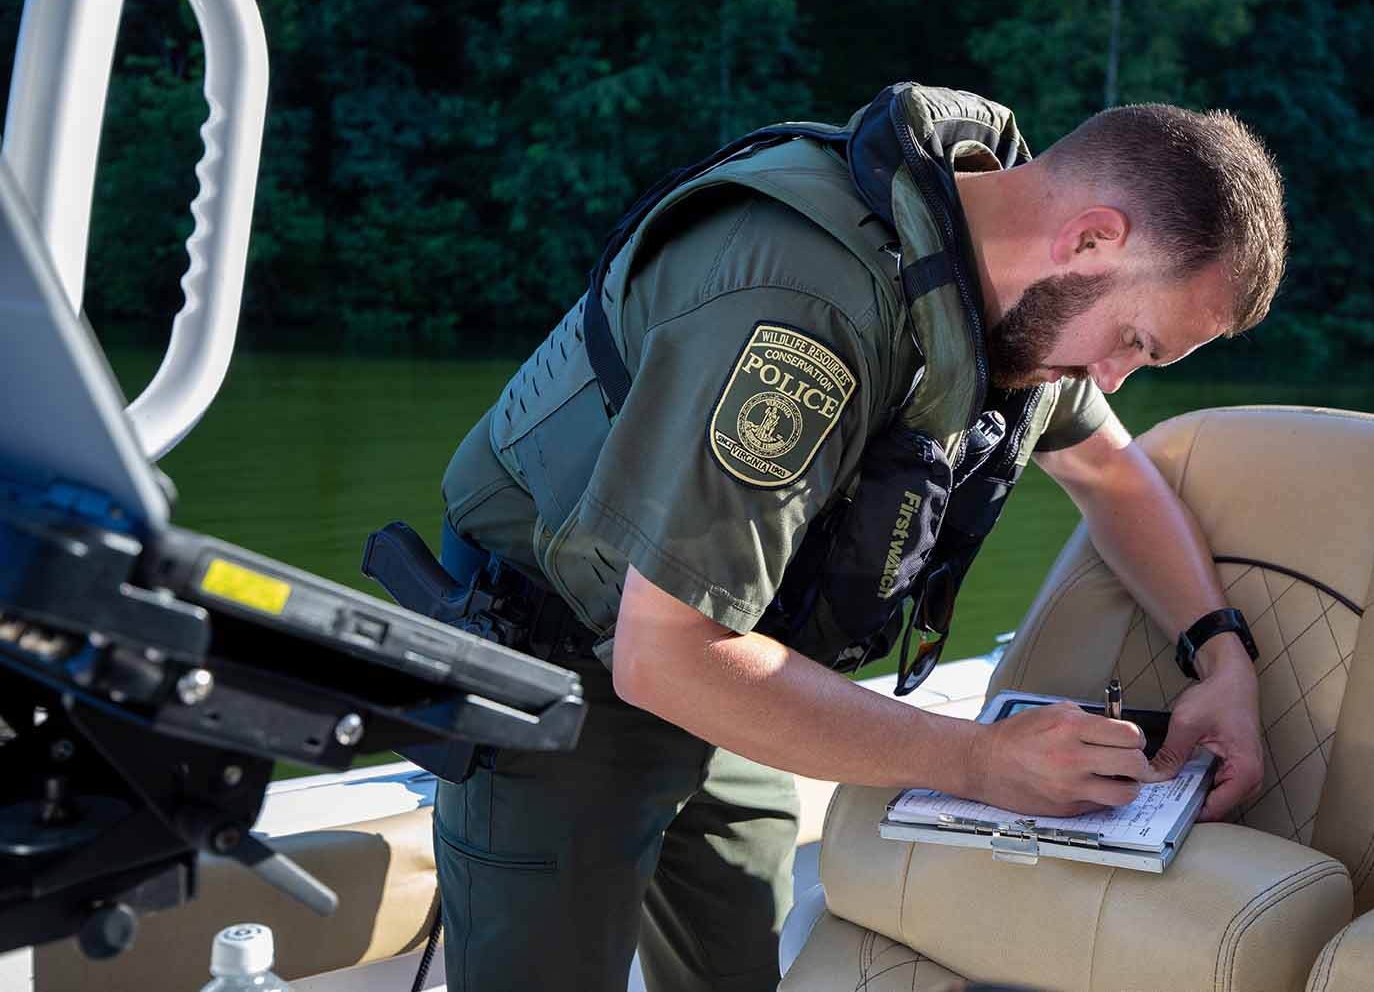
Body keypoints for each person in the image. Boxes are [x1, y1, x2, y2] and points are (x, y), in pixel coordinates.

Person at [431, 83, 1285, 992]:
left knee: (740, 970)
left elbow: (1113, 473)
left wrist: (1222, 656)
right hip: (558, 670)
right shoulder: (802, 306)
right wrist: (981, 761)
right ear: (1091, 238)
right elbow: (664, 656)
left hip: (730, 658)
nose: (1112, 380)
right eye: (1136, 342)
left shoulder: (1010, 287)